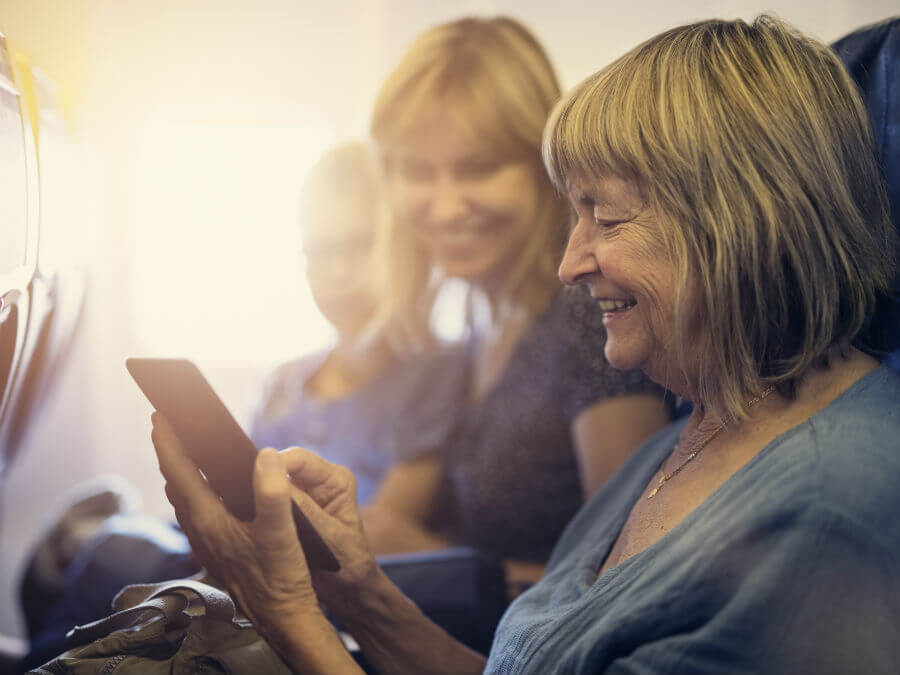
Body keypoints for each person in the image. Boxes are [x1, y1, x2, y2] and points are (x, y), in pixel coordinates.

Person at [150, 14, 900, 675]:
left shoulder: (824, 516)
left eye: (606, 218)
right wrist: (360, 589)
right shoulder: (688, 434)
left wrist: (287, 608)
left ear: (741, 221)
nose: (570, 263)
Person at [358, 16, 671, 589]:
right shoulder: (479, 318)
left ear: (542, 168)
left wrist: (440, 564)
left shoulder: (589, 311)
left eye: (478, 168)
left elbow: (624, 577)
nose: (446, 207)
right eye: (418, 171)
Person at [249, 141, 464, 506]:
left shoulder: (435, 376)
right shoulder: (282, 384)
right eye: (319, 251)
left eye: (361, 246)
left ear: (405, 246)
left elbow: (378, 532)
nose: (338, 272)